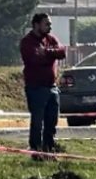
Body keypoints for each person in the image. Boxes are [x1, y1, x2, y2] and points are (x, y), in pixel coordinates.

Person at [19, 12, 67, 155]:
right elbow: (35, 59)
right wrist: (51, 56)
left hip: (52, 87)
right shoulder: (27, 42)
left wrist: (47, 52)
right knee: (38, 121)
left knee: (52, 120)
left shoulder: (50, 39)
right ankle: (36, 150)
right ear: (36, 25)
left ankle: (49, 148)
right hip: (36, 87)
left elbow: (62, 52)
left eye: (50, 24)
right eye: (46, 24)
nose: (49, 27)